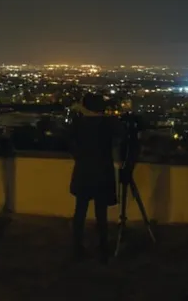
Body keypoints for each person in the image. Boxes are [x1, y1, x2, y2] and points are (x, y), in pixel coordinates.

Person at [68, 93, 118, 262]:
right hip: (102, 173)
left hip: (83, 172)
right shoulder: (108, 125)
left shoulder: (79, 125)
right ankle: (103, 248)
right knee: (101, 213)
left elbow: (71, 144)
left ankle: (77, 247)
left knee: (80, 211)